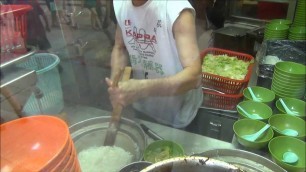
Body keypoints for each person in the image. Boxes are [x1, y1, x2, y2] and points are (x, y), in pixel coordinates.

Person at [106, 0, 203, 128]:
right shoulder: (122, 4)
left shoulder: (176, 9)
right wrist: (116, 87)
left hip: (178, 112)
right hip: (143, 106)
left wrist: (141, 89)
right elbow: (120, 47)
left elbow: (194, 76)